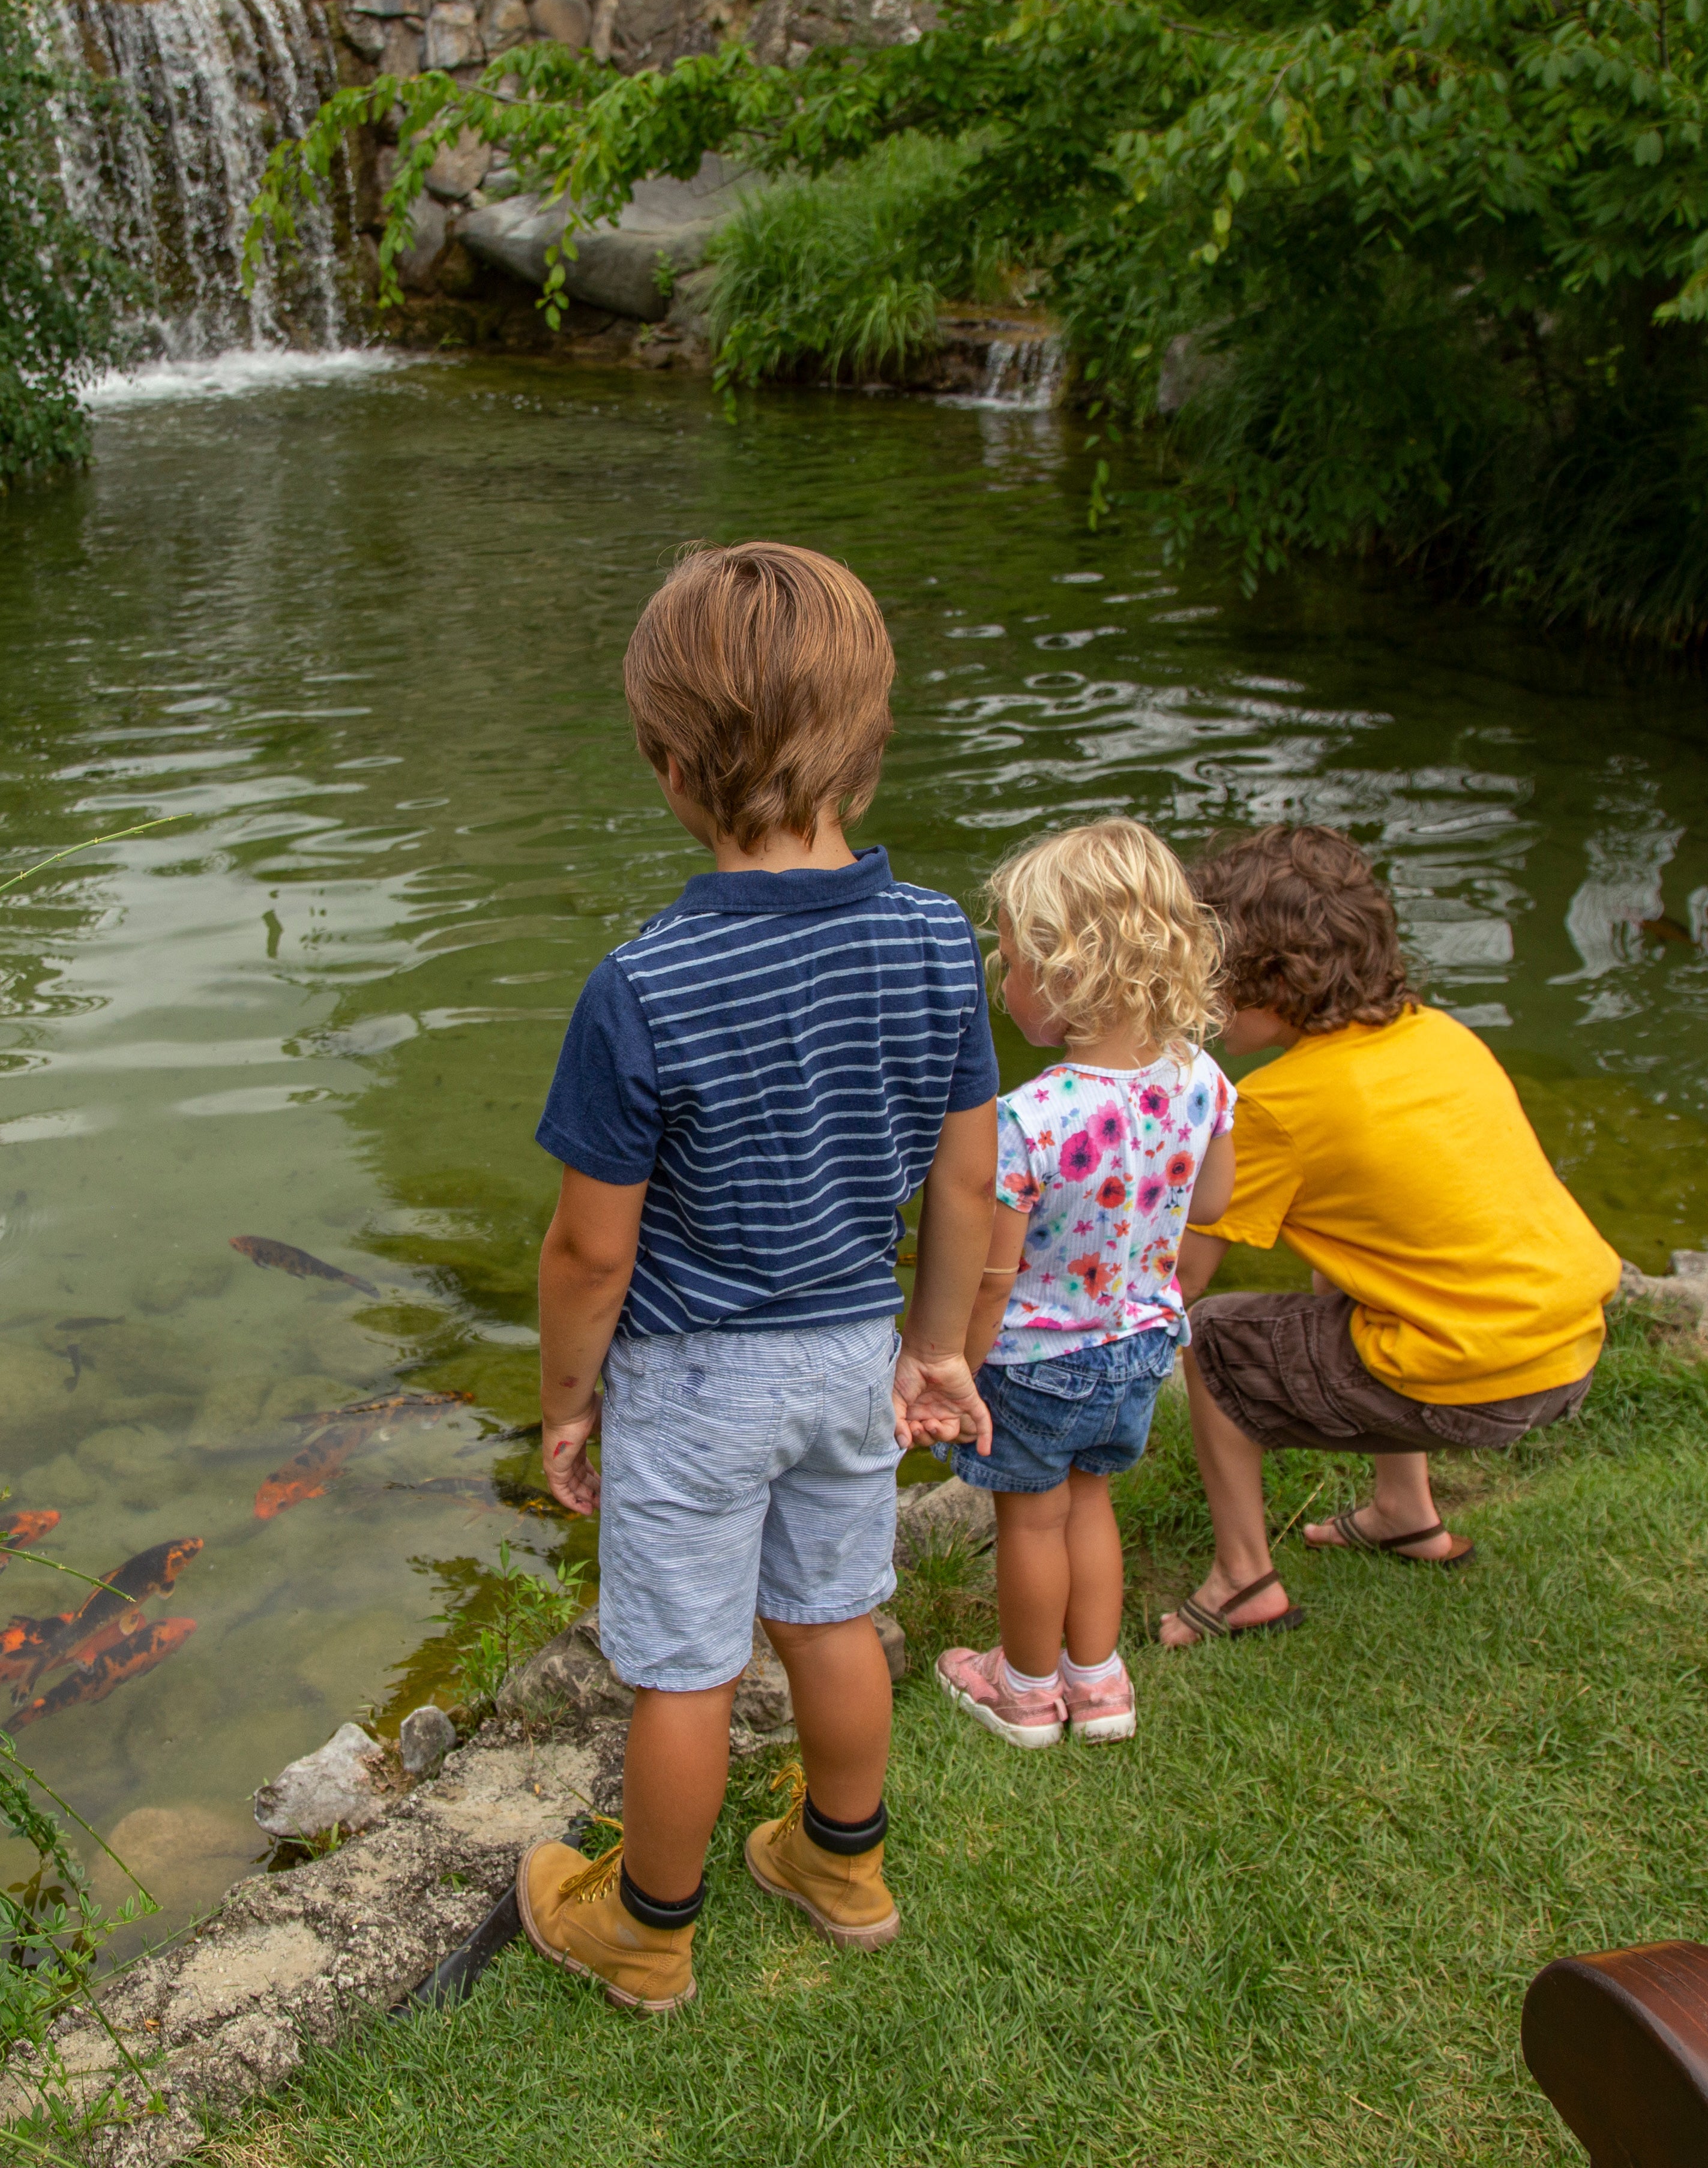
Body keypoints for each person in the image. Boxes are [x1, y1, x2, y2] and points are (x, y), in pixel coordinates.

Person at [519, 540, 1000, 2016]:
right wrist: (936, 1350)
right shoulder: (933, 941)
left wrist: (562, 1405)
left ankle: (647, 1930)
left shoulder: (644, 986)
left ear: (667, 763)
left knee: (685, 1668)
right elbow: (970, 1182)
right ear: (872, 739)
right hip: (855, 1349)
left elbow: (593, 1248)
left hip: (696, 1377)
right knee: (832, 1618)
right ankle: (840, 1866)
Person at [1159, 824, 1621, 1647]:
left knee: (1214, 1341)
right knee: (1336, 1265)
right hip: (1570, 1346)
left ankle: (1242, 1582)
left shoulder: (1280, 1107)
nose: (1203, 993)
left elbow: (1182, 1278)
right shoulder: (1441, 1036)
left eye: (1214, 974)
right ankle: (1406, 1514)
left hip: (1477, 1377)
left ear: (1271, 980)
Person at [930, 820, 1233, 1747]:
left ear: (1069, 975)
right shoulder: (1203, 1080)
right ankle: (1100, 1685)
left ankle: (1022, 1689)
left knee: (1031, 1521)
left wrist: (954, 1370)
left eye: (1015, 965)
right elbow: (1212, 1205)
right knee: (1092, 1502)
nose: (1003, 984)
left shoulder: (1029, 1119)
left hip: (1036, 1359)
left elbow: (992, 1277)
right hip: (1139, 1346)